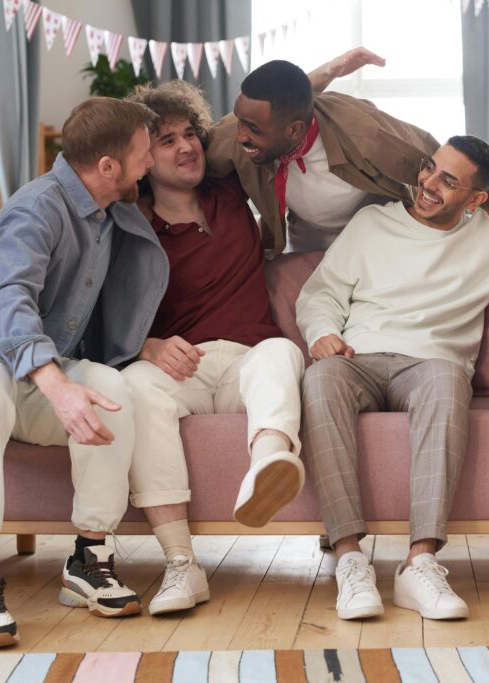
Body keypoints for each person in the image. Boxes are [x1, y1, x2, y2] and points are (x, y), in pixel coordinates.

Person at [119, 51, 381, 617]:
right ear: (142, 156)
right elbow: (101, 311)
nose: (187, 146)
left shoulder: (232, 188)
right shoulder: (131, 225)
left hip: (246, 360)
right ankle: (181, 566)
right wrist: (146, 346)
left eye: (190, 133)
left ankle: (268, 470)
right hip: (177, 367)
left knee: (282, 352)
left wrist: (326, 73)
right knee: (135, 389)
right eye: (166, 141)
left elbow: (271, 112)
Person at [0, 97, 166, 648]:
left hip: (38, 374)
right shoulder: (35, 209)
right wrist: (56, 385)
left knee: (112, 389)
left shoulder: (109, 212)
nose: (151, 161)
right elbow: (9, 297)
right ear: (108, 167)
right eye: (143, 152)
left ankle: (88, 558)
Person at [298, 136, 489, 621]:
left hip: (432, 362)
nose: (428, 184)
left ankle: (420, 563)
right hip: (358, 352)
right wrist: (322, 332)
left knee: (446, 382)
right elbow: (320, 293)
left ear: (477, 199)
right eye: (430, 168)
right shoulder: (372, 223)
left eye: (448, 180)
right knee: (319, 381)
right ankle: (350, 558)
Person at [205, 59, 489, 254]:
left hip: (375, 249)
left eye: (253, 129)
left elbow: (454, 167)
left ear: (294, 131)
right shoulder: (235, 137)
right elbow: (183, 169)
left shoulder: (368, 137)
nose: (241, 135)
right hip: (305, 250)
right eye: (239, 120)